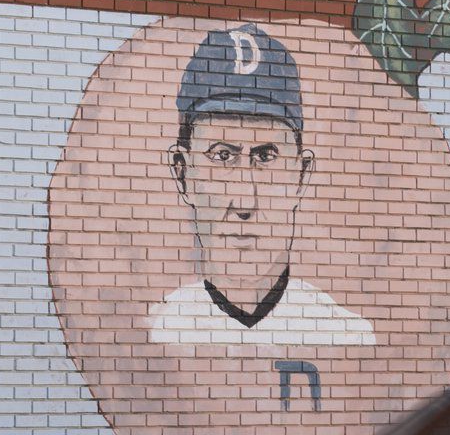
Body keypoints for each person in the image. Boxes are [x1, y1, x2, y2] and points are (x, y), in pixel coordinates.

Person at [148, 24, 374, 346]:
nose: (244, 202)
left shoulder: (348, 336)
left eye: (266, 156)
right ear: (183, 173)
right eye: (222, 155)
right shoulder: (157, 331)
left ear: (301, 174)